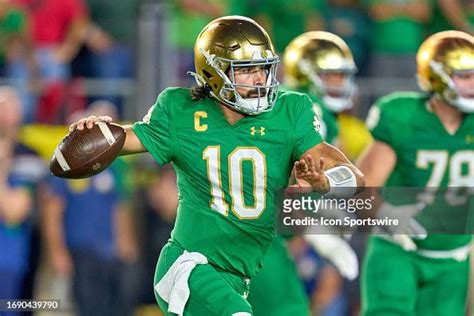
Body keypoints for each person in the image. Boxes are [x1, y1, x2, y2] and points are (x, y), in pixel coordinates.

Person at [69, 16, 365, 315]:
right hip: (190, 267)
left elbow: (356, 180)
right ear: (214, 73)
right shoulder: (180, 111)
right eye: (247, 70)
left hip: (241, 276)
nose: (260, 79)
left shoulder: (291, 110)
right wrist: (98, 131)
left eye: (263, 68)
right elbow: (123, 139)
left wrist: (326, 183)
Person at [357, 30, 473, 315]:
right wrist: (385, 214)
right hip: (398, 249)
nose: (473, 84)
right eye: (464, 75)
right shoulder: (403, 116)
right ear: (436, 77)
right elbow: (361, 187)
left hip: (453, 257)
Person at [247, 31, 362, 316]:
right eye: (330, 75)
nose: (339, 83)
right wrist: (315, 229)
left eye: (342, 75)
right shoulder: (307, 108)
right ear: (306, 74)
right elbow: (295, 182)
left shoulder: (281, 103)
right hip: (256, 231)